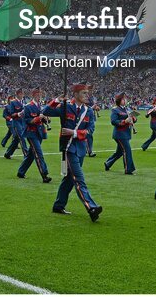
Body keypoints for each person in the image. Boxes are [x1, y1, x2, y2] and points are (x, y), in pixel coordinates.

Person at [42, 83, 103, 221]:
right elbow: (45, 112)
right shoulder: (65, 107)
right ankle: (91, 207)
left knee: (69, 179)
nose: (87, 95)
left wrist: (74, 132)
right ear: (75, 95)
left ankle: (58, 205)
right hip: (68, 148)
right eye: (84, 93)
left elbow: (90, 130)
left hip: (80, 148)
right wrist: (56, 100)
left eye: (87, 93)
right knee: (79, 178)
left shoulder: (88, 111)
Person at [17, 88, 51, 183]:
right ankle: (44, 174)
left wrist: (46, 119)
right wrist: (37, 118)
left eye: (40, 94)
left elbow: (45, 120)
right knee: (39, 153)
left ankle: (21, 171)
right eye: (37, 94)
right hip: (31, 133)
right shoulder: (28, 107)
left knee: (31, 154)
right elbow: (27, 121)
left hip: (39, 132)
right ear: (33, 95)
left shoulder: (41, 106)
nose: (39, 96)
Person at [104, 92, 136, 174]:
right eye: (123, 99)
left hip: (126, 133)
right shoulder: (115, 109)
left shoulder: (127, 109)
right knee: (127, 150)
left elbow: (133, 119)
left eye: (125, 99)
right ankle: (128, 169)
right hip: (120, 134)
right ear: (119, 100)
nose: (125, 100)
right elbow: (113, 121)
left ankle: (108, 163)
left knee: (119, 152)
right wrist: (124, 121)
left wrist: (134, 119)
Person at [3, 92, 27, 160]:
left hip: (22, 122)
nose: (22, 95)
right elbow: (11, 113)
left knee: (16, 139)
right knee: (22, 137)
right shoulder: (13, 102)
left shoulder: (24, 101)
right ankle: (26, 154)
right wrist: (18, 114)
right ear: (17, 94)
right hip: (16, 122)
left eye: (22, 93)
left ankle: (8, 153)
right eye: (20, 93)